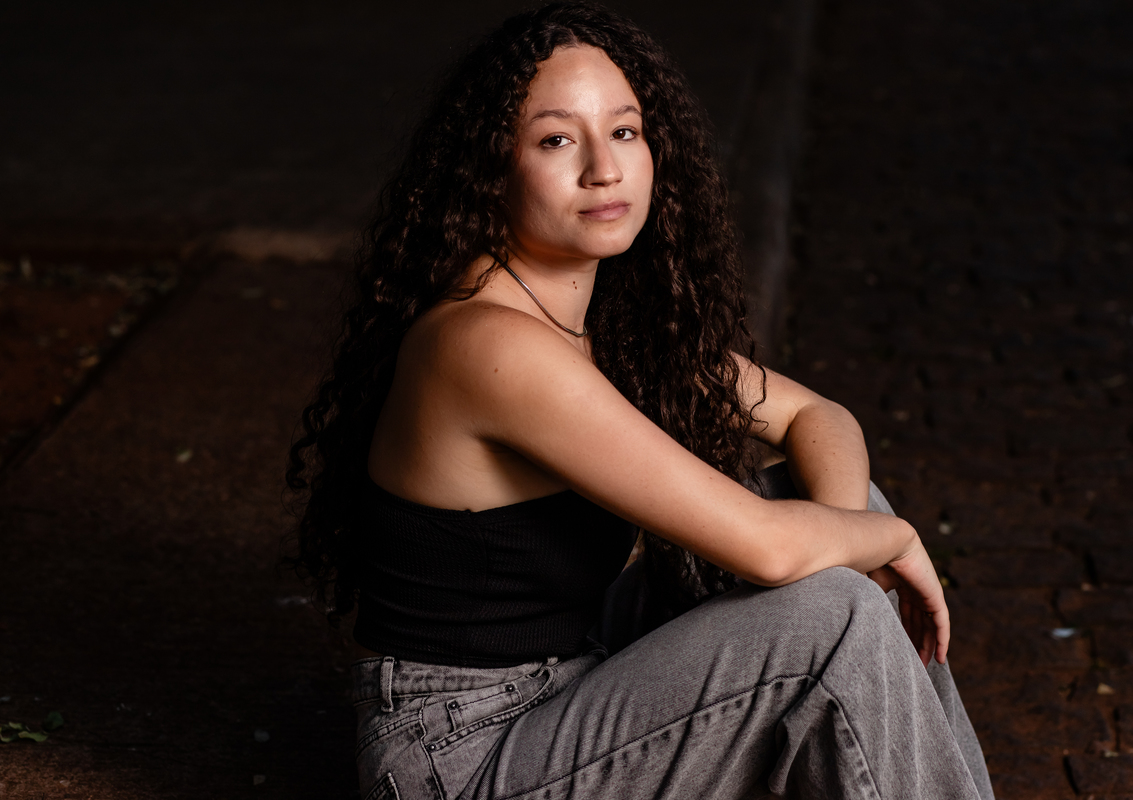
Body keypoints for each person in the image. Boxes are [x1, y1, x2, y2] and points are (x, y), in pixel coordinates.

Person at [286, 3, 994, 798]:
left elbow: (816, 417)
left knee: (839, 530)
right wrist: (878, 543)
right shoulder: (488, 343)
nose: (604, 168)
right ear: (490, 168)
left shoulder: (596, 326)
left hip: (572, 675)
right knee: (831, 603)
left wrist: (850, 540)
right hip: (463, 754)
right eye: (557, 141)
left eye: (624, 131)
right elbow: (768, 550)